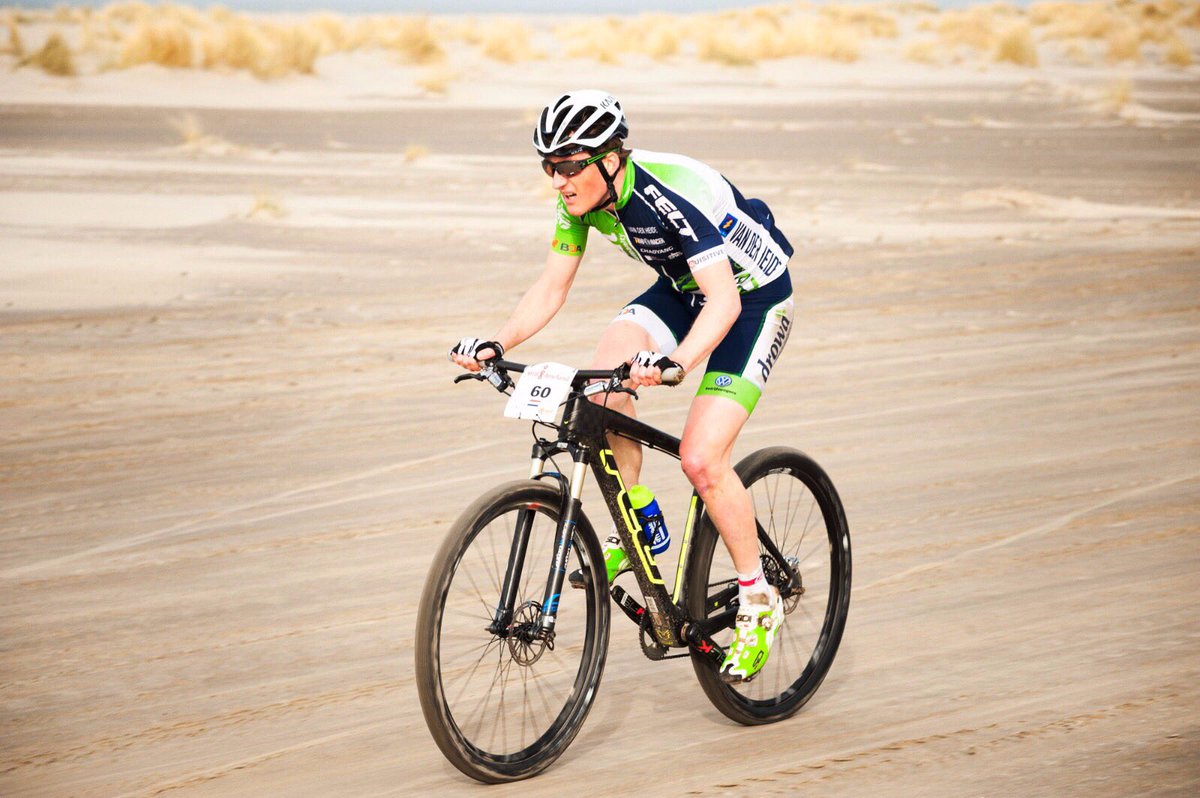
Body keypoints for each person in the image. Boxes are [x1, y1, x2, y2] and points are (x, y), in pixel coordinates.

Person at [449, 90, 795, 683]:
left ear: (611, 157)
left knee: (701, 459)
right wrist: (498, 345)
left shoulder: (668, 193)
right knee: (602, 389)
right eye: (548, 166)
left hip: (751, 298)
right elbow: (553, 286)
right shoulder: (581, 199)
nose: (557, 180)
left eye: (568, 164)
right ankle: (639, 522)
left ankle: (759, 598)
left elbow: (725, 301)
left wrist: (677, 364)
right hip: (684, 287)